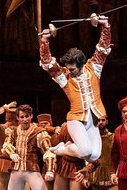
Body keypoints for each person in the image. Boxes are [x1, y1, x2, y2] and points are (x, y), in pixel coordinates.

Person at [39, 15, 111, 161]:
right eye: (68, 68)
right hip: (76, 120)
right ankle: (60, 149)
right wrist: (44, 42)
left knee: (94, 156)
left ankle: (66, 147)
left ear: (81, 65)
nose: (69, 71)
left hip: (92, 119)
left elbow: (102, 50)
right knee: (84, 151)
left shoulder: (93, 69)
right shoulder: (65, 78)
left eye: (72, 69)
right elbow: (48, 64)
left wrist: (105, 27)